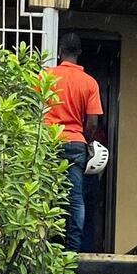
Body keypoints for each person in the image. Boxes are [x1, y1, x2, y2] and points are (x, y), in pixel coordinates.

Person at [44, 32, 102, 252]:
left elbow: (33, 109)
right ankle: (73, 249)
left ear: (60, 51)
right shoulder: (89, 83)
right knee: (75, 198)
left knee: (48, 195)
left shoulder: (46, 77)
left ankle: (47, 244)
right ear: (79, 52)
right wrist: (84, 140)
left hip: (50, 142)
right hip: (76, 143)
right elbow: (93, 122)